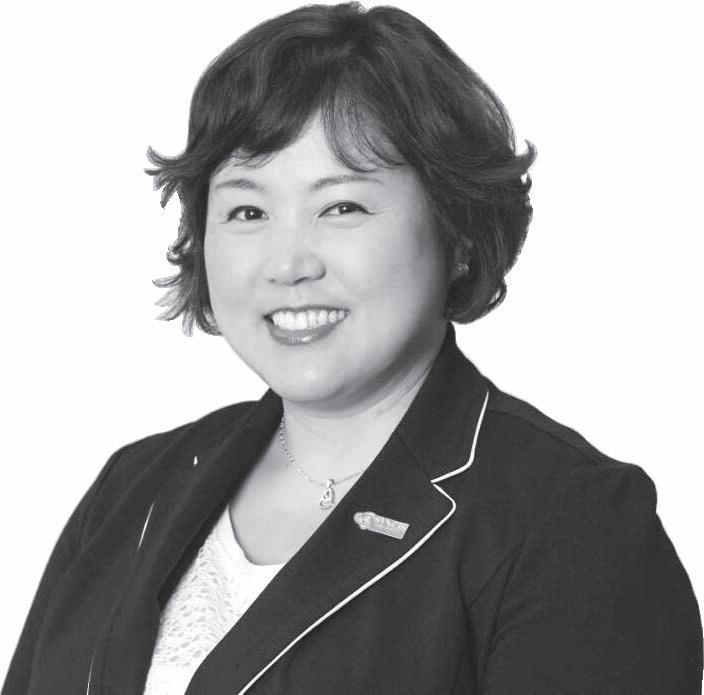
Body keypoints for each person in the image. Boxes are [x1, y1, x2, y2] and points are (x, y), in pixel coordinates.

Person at [2, 2, 702, 693]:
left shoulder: (574, 523)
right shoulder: (135, 487)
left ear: (457, 232)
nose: (288, 263)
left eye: (342, 206)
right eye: (247, 210)